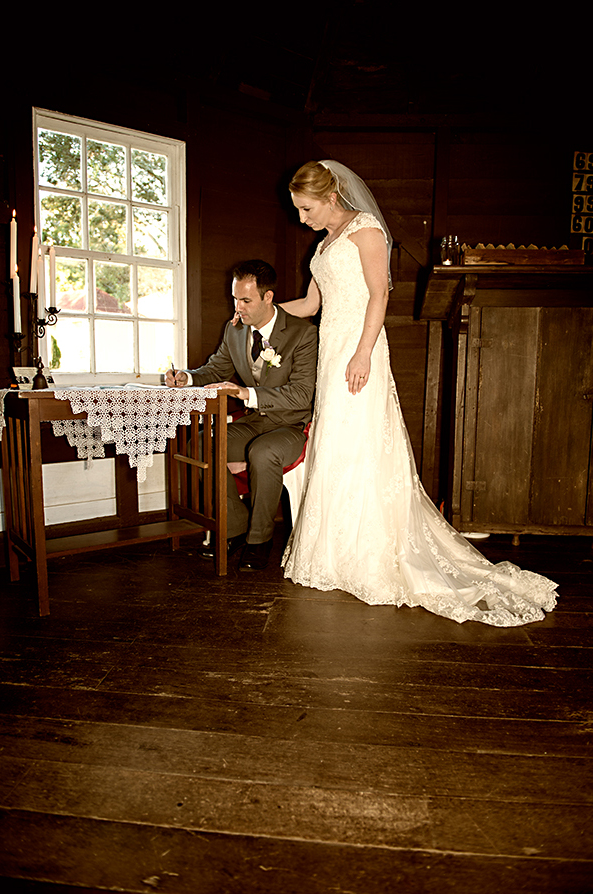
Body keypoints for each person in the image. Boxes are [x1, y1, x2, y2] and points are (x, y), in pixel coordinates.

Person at [279, 159, 557, 626]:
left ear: (330, 197)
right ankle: (334, 552)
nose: (302, 218)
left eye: (306, 209)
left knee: (363, 444)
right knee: (337, 447)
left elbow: (379, 295)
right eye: (299, 210)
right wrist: (260, 313)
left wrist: (363, 352)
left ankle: (371, 553)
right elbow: (309, 304)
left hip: (358, 348)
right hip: (332, 353)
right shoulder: (324, 243)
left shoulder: (365, 230)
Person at [166, 260, 317, 571]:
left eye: (246, 300)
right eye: (235, 298)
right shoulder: (234, 330)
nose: (238, 307)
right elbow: (216, 369)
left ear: (268, 297)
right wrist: (188, 377)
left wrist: (246, 394)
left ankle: (260, 540)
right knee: (201, 445)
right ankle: (235, 527)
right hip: (255, 423)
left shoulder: (303, 334)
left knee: (263, 452)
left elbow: (302, 395)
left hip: (291, 426)